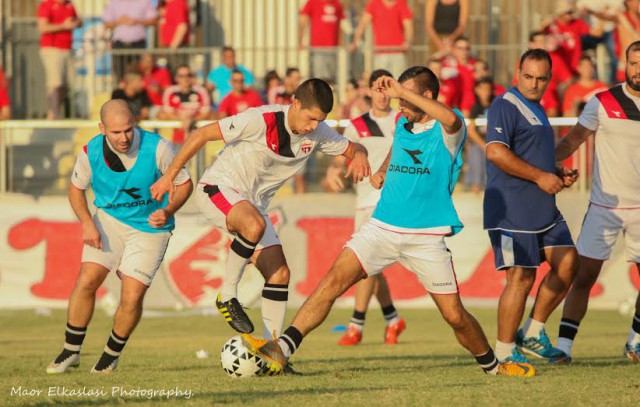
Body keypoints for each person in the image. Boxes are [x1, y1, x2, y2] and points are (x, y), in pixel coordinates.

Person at [241, 66, 535, 378]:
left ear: (427, 96)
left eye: (405, 98)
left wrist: (401, 92)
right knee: (332, 281)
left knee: (455, 316)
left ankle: (494, 367)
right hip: (381, 227)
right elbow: (398, 145)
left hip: (426, 237)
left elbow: (451, 119)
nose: (399, 104)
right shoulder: (403, 123)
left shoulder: (449, 129)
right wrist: (382, 170)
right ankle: (281, 350)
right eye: (398, 99)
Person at [150, 79, 370, 345]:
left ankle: (272, 350)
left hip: (253, 207)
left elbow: (354, 148)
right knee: (254, 225)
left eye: (320, 120)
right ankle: (227, 295)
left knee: (279, 274)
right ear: (295, 104)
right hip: (218, 187)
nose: (314, 126)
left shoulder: (319, 132)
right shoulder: (260, 119)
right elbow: (201, 135)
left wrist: (360, 154)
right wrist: (169, 176)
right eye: (311, 118)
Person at [45, 100, 193, 374]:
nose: (124, 138)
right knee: (87, 279)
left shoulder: (158, 148)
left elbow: (185, 184)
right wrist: (87, 223)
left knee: (132, 296)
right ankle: (71, 351)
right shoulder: (90, 152)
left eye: (128, 130)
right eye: (116, 132)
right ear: (102, 128)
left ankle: (110, 356)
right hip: (109, 220)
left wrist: (169, 210)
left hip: (150, 227)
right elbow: (76, 189)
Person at [484, 49, 579, 366]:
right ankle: (503, 352)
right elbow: (496, 152)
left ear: (550, 79)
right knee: (521, 278)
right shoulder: (504, 105)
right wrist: (540, 176)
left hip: (543, 206)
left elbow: (530, 154)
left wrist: (555, 172)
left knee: (568, 263)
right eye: (528, 76)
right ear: (517, 73)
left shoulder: (537, 107)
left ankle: (534, 332)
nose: (534, 83)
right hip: (512, 208)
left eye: (541, 78)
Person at [554, 41, 640, 363]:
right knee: (584, 277)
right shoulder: (603, 101)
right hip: (605, 207)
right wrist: (544, 166)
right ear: (625, 64)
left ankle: (635, 341)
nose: (638, 70)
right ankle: (563, 348)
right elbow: (573, 140)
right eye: (633, 63)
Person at [323, 69, 405, 346]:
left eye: (386, 88)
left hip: (392, 202)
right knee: (371, 265)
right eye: (377, 89)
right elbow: (342, 156)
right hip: (365, 202)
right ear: (369, 91)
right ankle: (392, 319)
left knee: (366, 263)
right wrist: (333, 171)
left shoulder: (402, 120)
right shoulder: (356, 125)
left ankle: (356, 325)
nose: (382, 94)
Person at [37, 0, 81, 120]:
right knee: (55, 82)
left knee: (67, 84)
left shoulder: (69, 5)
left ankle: (54, 111)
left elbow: (78, 21)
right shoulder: (47, 5)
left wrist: (76, 23)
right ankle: (54, 113)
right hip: (52, 48)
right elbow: (43, 27)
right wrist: (63, 26)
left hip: (67, 48)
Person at [350, 0, 414, 77]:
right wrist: (355, 41)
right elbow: (363, 24)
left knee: (398, 79)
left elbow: (408, 26)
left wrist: (408, 42)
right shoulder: (375, 4)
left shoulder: (401, 4)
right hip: (380, 53)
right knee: (380, 80)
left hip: (398, 52)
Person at [102, 0, 157, 82]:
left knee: (137, 75)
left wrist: (136, 21)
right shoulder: (114, 2)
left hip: (138, 45)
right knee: (120, 75)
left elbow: (153, 20)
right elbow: (106, 24)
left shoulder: (144, 1)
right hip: (119, 45)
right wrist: (118, 21)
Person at [157, 64, 212, 144]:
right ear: (176, 78)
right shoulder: (170, 91)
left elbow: (206, 113)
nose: (185, 79)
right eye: (181, 76)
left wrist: (192, 120)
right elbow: (168, 114)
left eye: (188, 75)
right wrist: (183, 120)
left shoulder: (201, 91)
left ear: (192, 77)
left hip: (197, 137)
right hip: (175, 137)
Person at [299, 0, 345, 82]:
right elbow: (303, 21)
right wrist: (300, 41)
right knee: (319, 78)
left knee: (330, 77)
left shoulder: (337, 4)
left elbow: (340, 25)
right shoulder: (313, 2)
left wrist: (341, 44)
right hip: (318, 48)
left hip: (333, 49)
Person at [463, 76, 493, 194]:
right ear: (477, 90)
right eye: (482, 89)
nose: (486, 92)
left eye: (488, 89)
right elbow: (471, 130)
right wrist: (483, 146)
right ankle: (475, 188)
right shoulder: (475, 108)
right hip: (478, 143)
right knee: (475, 158)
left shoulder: (495, 105)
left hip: (492, 143)